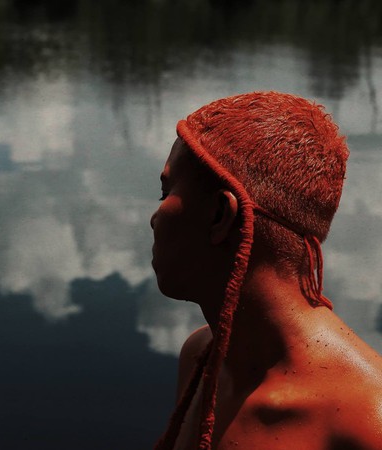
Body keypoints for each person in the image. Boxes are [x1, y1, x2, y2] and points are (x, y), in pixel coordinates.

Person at [150, 92, 382, 450]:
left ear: (220, 216)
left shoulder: (368, 418)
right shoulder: (202, 357)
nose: (154, 217)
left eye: (166, 191)